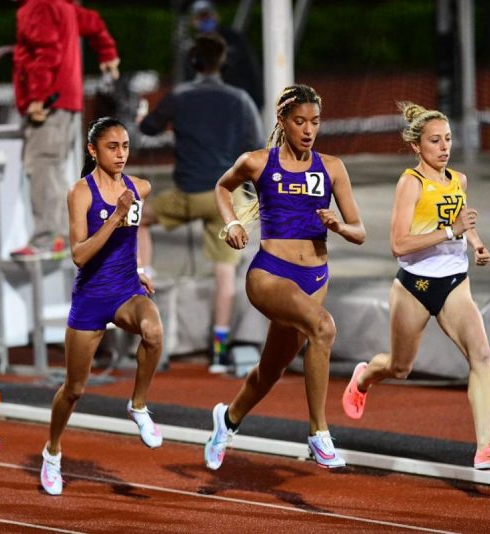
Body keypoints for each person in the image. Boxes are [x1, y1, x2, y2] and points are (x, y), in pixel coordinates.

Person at [341, 102, 490, 471]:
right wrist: (451, 232)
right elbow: (398, 244)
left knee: (482, 356)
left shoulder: (458, 180)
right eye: (435, 141)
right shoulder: (411, 183)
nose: (444, 147)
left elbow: (461, 219)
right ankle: (365, 376)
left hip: (455, 282)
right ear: (416, 146)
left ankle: (486, 446)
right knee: (400, 367)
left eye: (448, 139)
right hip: (415, 285)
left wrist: (476, 243)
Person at [204, 84, 366, 470]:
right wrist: (230, 225)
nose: (309, 130)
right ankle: (318, 433)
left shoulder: (332, 168)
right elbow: (223, 187)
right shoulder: (258, 162)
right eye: (300, 122)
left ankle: (226, 421)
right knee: (323, 328)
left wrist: (339, 226)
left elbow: (359, 230)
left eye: (315, 122)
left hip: (315, 277)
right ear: (282, 121)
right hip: (270, 274)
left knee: (271, 370)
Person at [39, 117, 164, 496]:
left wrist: (140, 269)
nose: (121, 154)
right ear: (93, 150)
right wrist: (114, 217)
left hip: (127, 291)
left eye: (126, 146)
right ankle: (52, 451)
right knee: (75, 389)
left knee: (154, 331)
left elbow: (135, 236)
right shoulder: (81, 192)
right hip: (92, 298)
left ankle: (138, 406)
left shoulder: (138, 187)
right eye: (113, 147)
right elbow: (79, 255)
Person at [139, 34, 263, 373]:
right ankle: (219, 353)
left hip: (187, 196)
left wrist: (144, 113)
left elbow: (148, 129)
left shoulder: (179, 95)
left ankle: (143, 281)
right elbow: (256, 146)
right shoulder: (240, 99)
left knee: (138, 218)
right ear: (222, 63)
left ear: (194, 63)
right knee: (225, 273)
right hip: (225, 197)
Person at [11, 0, 120, 259]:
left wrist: (38, 95)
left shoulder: (38, 6)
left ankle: (48, 238)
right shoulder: (62, 5)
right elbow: (93, 21)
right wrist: (107, 52)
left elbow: (46, 52)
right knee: (53, 168)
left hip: (49, 102)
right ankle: (62, 235)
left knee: (43, 166)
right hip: (66, 101)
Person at [186, 0, 264, 110]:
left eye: (207, 16)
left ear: (216, 16)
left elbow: (252, 70)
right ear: (193, 22)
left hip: (239, 106)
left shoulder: (235, 40)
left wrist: (257, 101)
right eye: (201, 18)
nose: (205, 21)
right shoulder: (191, 49)